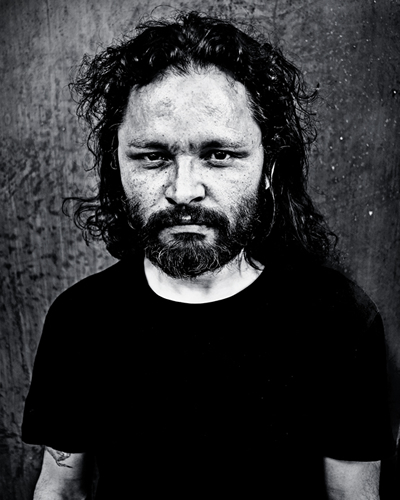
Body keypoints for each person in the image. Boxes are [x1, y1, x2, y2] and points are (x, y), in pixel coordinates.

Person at [22, 11, 395, 499]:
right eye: (152, 156)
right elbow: (60, 490)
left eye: (219, 155)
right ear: (117, 165)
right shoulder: (81, 320)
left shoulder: (338, 319)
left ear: (268, 167)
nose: (183, 190)